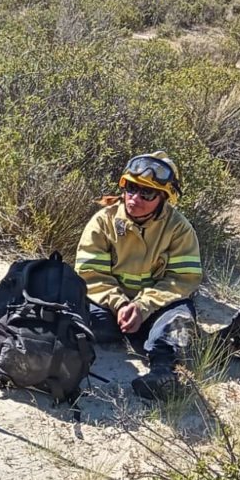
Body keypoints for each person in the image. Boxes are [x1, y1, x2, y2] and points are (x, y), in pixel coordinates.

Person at [75, 152, 203, 401]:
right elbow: (91, 274)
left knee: (178, 320)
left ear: (165, 198)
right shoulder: (104, 221)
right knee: (77, 315)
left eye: (147, 193)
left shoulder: (179, 229)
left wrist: (142, 306)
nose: (135, 198)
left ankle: (164, 374)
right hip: (111, 307)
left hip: (157, 307)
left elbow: (182, 279)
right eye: (131, 188)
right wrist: (121, 304)